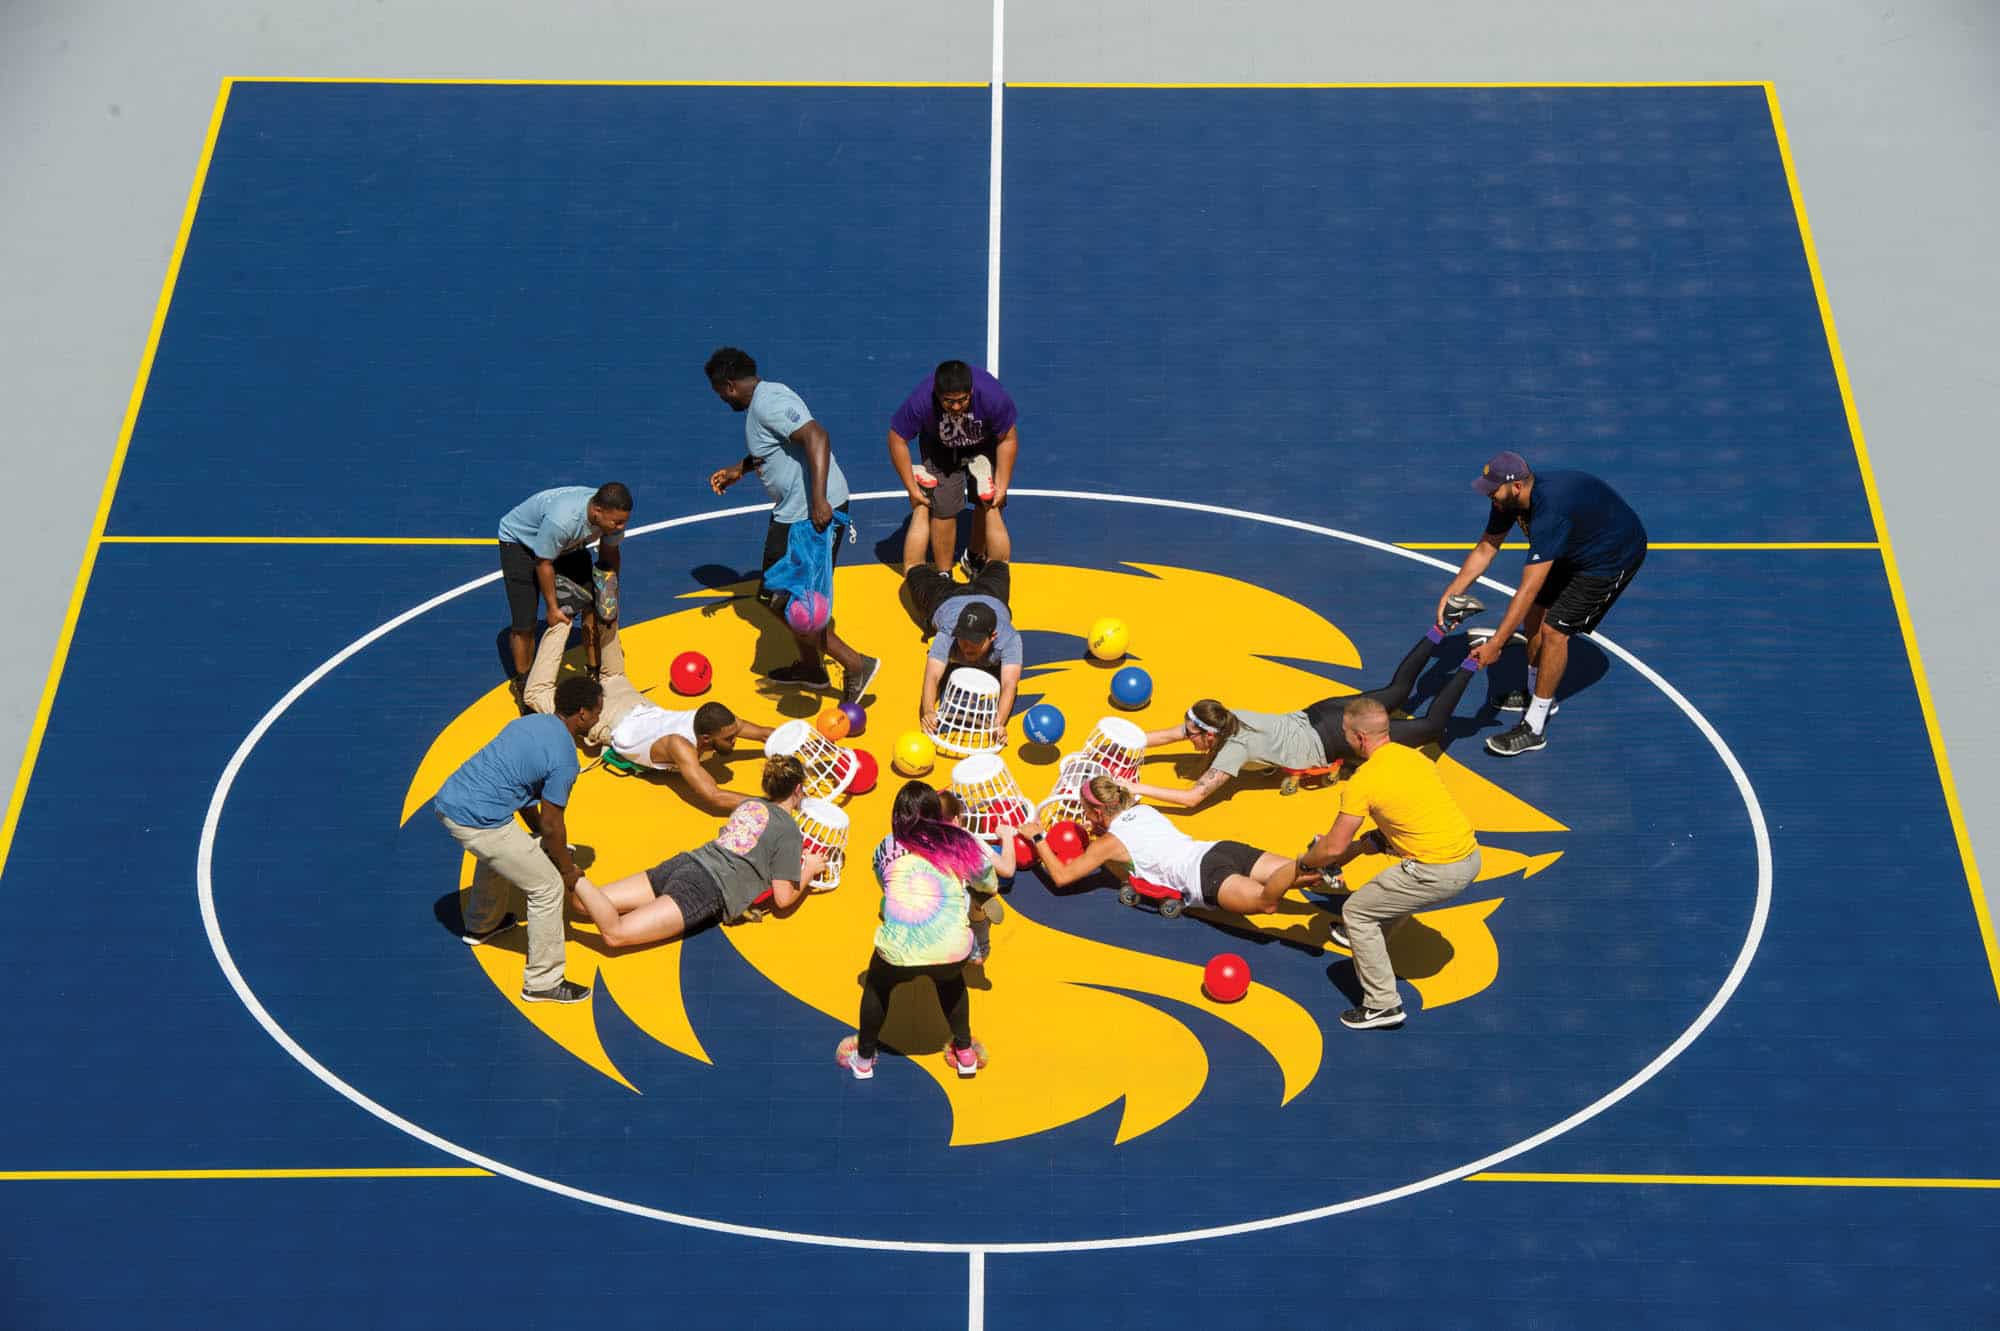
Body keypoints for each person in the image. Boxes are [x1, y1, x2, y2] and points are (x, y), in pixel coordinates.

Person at [1127, 625, 1484, 810]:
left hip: (1336, 738)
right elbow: (1163, 736)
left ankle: (1475, 660)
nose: (1187, 739)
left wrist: (1134, 787)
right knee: (1398, 691)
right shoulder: (1223, 716)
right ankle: (1441, 627)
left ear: (1209, 734)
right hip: (1320, 711)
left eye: (1192, 735)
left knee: (1431, 728)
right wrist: (1121, 743)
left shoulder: (1231, 752)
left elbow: (1191, 800)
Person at [1436, 451, 1648, 757]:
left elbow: (1526, 589)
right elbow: (1486, 548)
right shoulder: (1506, 500)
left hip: (1609, 557)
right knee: (1535, 615)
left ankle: (1534, 726)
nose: (1489, 496)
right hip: (1574, 543)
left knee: (1554, 632)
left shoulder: (1550, 512)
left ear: (1517, 487)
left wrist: (1497, 643)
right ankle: (1536, 692)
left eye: (1493, 490)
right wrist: (1450, 593)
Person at [704, 347, 881, 707]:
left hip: (807, 515)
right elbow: (776, 446)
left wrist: (818, 500)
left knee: (783, 600)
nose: (721, 400)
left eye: (719, 392)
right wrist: (742, 468)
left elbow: (817, 437)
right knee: (783, 597)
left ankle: (855, 664)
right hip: (794, 512)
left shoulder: (768, 402)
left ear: (729, 385)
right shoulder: (764, 401)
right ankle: (811, 668)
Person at [1298, 698, 1483, 1031]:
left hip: (1435, 872)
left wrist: (1306, 861)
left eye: (1345, 733)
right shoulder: (1414, 759)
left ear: (1359, 738)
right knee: (1393, 887)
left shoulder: (1363, 782)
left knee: (1357, 912)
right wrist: (1364, 847)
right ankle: (1364, 933)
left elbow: (1333, 847)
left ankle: (1383, 1005)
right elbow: (1404, 816)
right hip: (1469, 857)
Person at [434, 675, 605, 1004]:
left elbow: (526, 793)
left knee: (507, 852)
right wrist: (567, 871)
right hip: (478, 821)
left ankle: (482, 924)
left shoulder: (528, 724)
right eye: (597, 711)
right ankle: (542, 981)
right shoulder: (565, 761)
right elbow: (554, 824)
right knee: (547, 888)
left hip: (452, 799)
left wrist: (540, 836)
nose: (599, 717)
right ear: (581, 714)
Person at [521, 615, 776, 812]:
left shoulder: (715, 721)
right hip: (609, 721)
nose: (736, 738)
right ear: (706, 739)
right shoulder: (680, 746)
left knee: (613, 669)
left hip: (633, 701)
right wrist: (771, 806)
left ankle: (597, 606)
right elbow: (713, 795)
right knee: (535, 694)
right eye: (730, 738)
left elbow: (767, 734)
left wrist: (804, 746)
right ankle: (561, 622)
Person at [568, 755, 824, 949]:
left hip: (686, 863)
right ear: (798, 790)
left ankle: (566, 869)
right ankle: (562, 864)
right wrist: (810, 868)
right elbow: (782, 898)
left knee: (582, 902)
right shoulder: (789, 830)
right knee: (616, 933)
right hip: (706, 889)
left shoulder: (751, 804)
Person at [834, 781, 996, 1081]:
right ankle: (965, 1054)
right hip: (951, 947)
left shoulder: (886, 845)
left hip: (900, 947)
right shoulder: (958, 841)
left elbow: (884, 884)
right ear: (937, 813)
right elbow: (988, 882)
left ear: (897, 816)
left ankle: (864, 1059)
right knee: (951, 982)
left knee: (877, 987)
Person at [1018, 775, 1302, 916]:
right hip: (1219, 850)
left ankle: (1310, 863)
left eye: (1086, 810)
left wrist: (1038, 838)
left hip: (1204, 878)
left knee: (1267, 902)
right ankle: (1315, 861)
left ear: (1099, 813)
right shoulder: (1144, 811)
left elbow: (1062, 877)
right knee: (1301, 872)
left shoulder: (1108, 844)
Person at [495, 483, 631, 699]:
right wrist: (552, 607)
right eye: (617, 522)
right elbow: (543, 563)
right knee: (525, 624)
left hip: (565, 545)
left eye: (624, 521)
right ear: (597, 512)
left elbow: (609, 551)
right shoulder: (563, 522)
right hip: (522, 545)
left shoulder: (609, 519)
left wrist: (609, 588)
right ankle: (525, 687)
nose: (621, 527)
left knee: (593, 607)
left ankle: (594, 673)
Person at [887, 359, 1020, 572]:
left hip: (982, 443)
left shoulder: (992, 396)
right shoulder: (921, 400)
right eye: (948, 401)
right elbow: (896, 438)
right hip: (939, 447)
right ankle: (945, 573)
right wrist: (911, 488)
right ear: (937, 394)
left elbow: (1008, 439)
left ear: (972, 391)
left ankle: (974, 556)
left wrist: (1002, 486)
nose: (956, 407)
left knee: (989, 501)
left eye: (962, 400)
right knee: (943, 510)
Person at [904, 557, 1022, 740]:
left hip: (991, 594)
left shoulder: (1009, 639)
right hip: (944, 598)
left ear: (992, 637)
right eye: (963, 638)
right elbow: (932, 676)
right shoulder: (948, 633)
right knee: (912, 567)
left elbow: (1009, 685)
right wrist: (928, 711)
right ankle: (920, 525)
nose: (967, 645)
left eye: (975, 641)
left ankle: (975, 552)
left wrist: (998, 723)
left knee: (1000, 559)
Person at [937, 790, 1016, 964]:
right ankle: (977, 906)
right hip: (962, 905)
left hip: (937, 912)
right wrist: (1007, 837)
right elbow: (1007, 870)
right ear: (957, 819)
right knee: (978, 958)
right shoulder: (969, 839)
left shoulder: (922, 843)